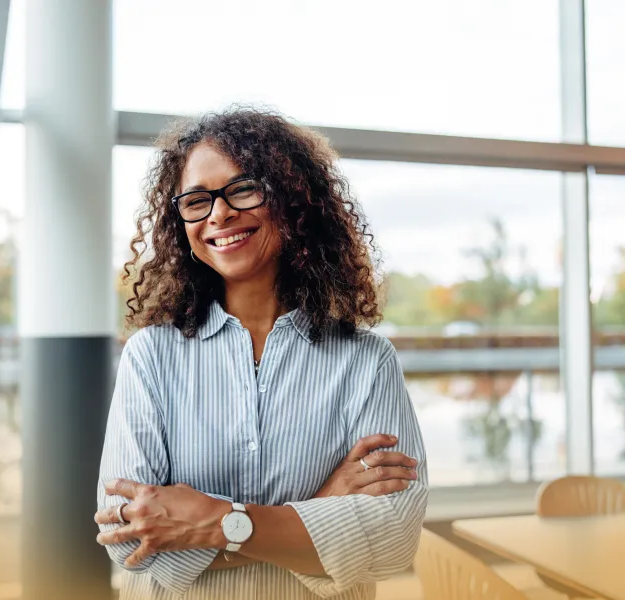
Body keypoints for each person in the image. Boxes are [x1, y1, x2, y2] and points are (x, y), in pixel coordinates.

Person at [95, 107, 428, 600]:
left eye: (243, 189)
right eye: (196, 200)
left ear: (294, 202)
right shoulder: (151, 356)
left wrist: (211, 524)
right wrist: (319, 512)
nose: (218, 213)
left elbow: (393, 538)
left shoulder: (366, 360)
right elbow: (130, 542)